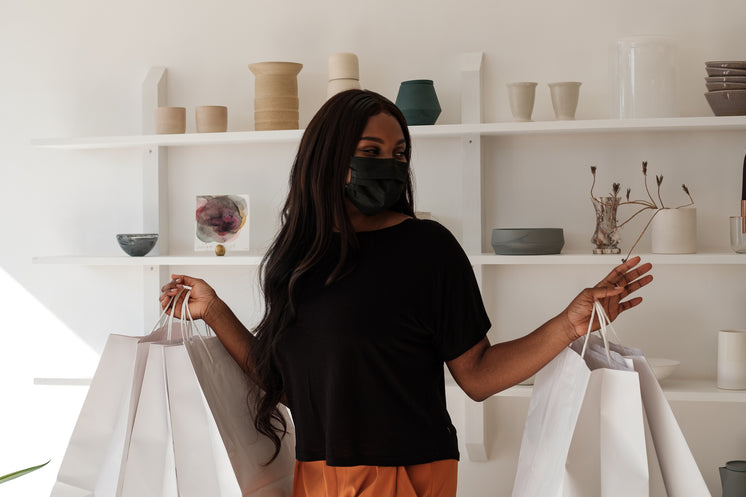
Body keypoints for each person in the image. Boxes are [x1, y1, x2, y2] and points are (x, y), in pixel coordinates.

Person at [159, 89, 653, 497]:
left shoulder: (428, 248)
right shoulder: (299, 259)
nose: (389, 166)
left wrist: (570, 322)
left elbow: (478, 376)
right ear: (329, 158)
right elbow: (288, 387)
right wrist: (216, 311)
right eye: (370, 152)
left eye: (398, 155)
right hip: (316, 474)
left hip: (405, 473)